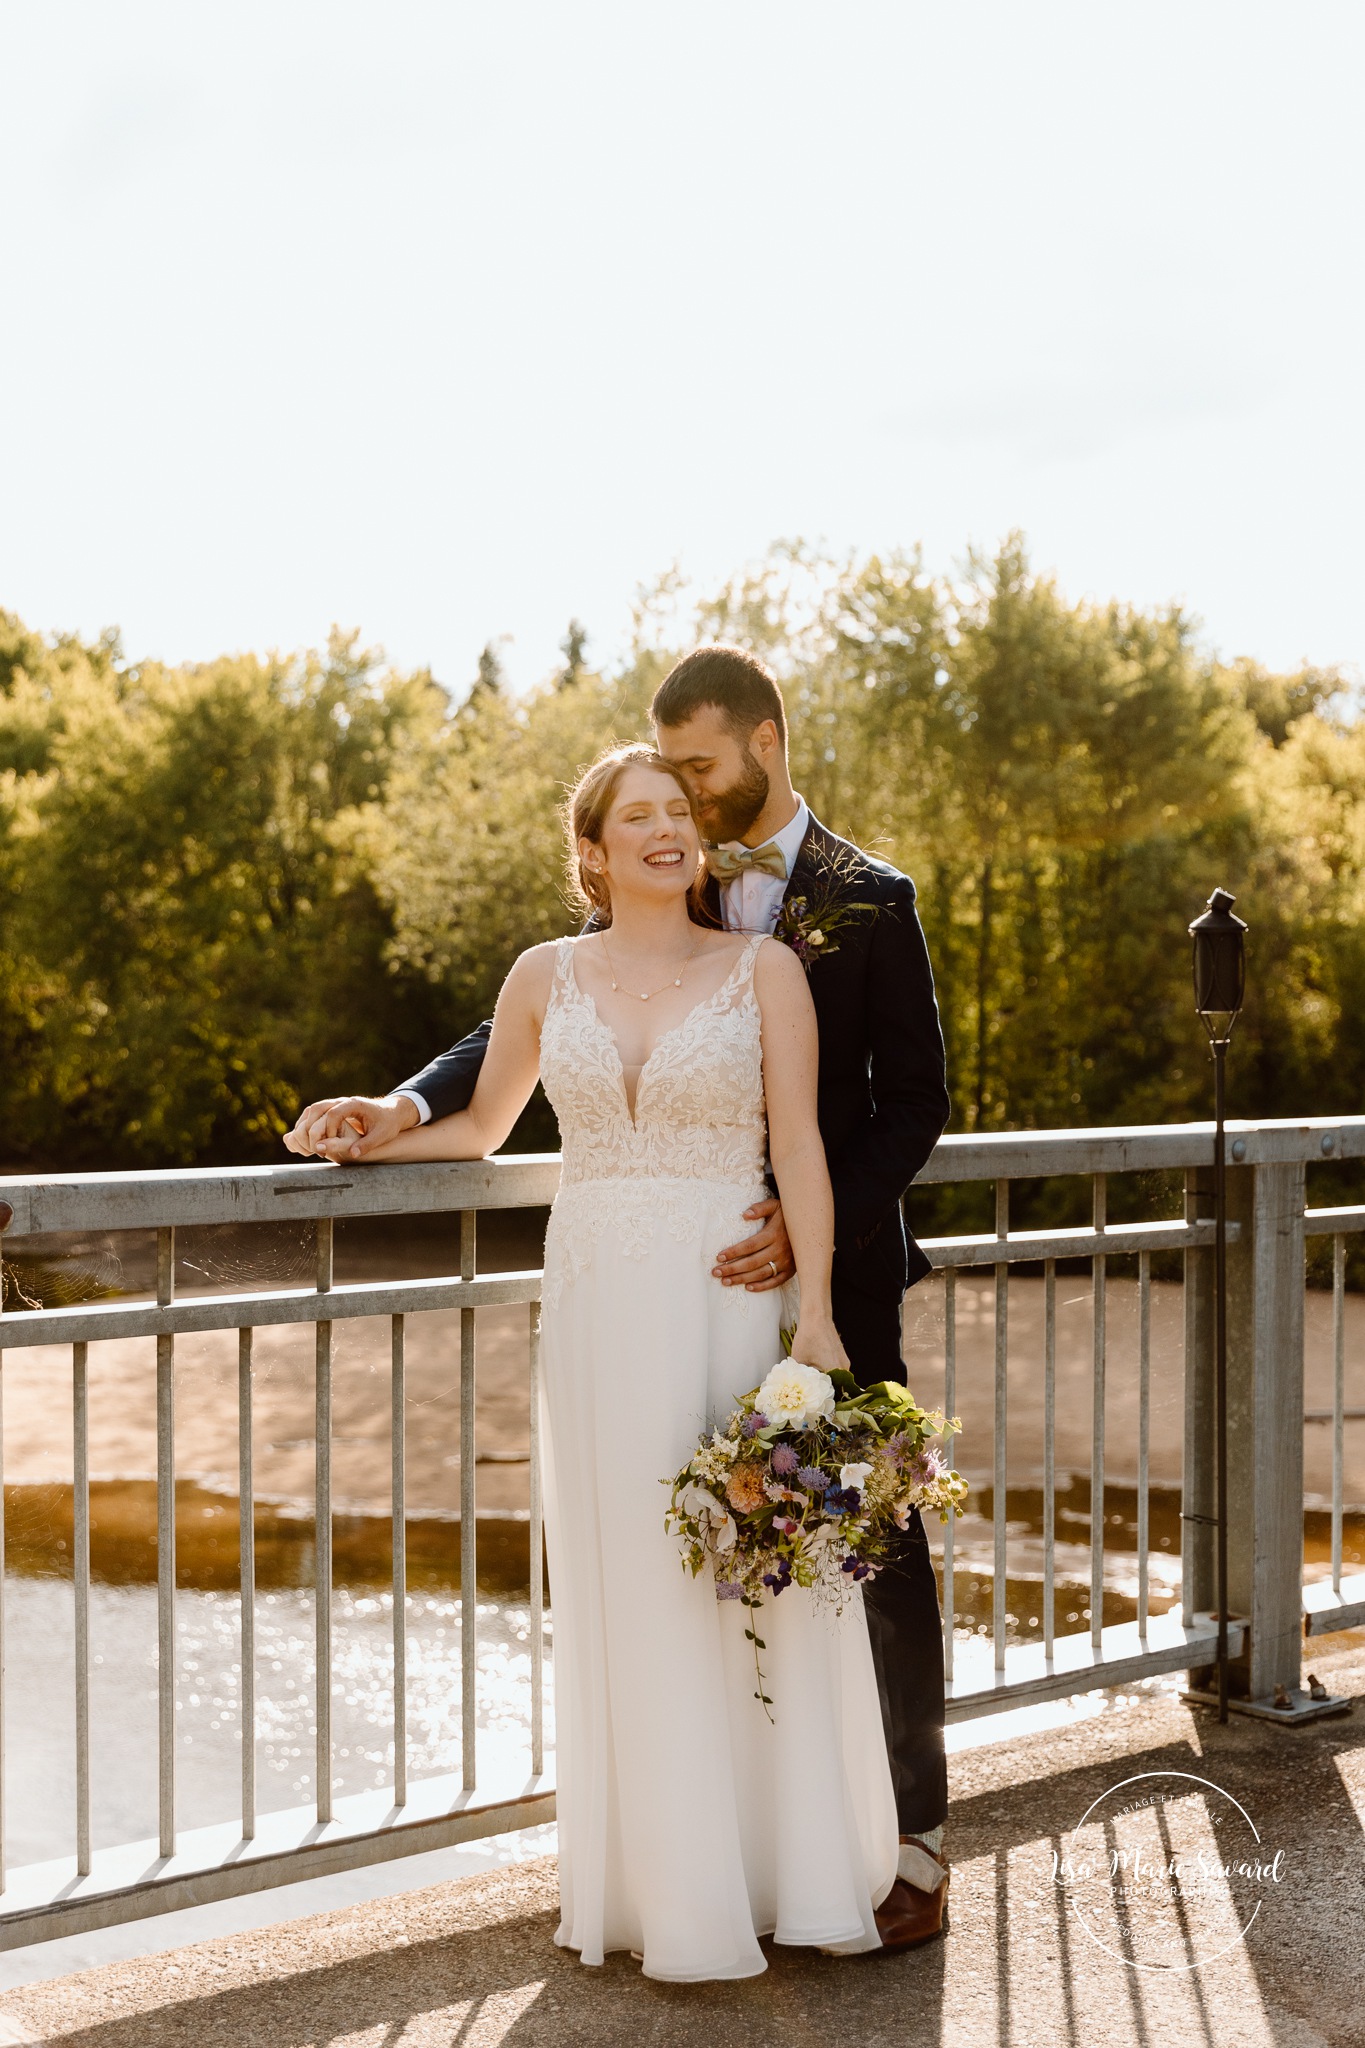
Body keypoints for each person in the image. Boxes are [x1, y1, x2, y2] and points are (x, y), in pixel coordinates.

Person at [289, 644, 954, 1948]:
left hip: (806, 1268)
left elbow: (910, 1101)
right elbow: (503, 1063)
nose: (685, 809)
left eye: (696, 776)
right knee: (651, 1571)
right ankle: (672, 1861)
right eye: (655, 794)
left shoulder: (867, 898)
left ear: (763, 741)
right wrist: (395, 1108)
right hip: (617, 1288)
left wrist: (800, 1246)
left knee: (857, 1556)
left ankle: (909, 1841)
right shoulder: (579, 948)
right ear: (596, 846)